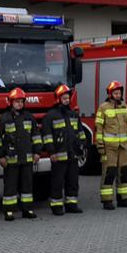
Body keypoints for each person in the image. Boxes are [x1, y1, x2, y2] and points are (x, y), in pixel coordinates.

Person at [0, 88, 40, 220]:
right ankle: (9, 211)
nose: (19, 104)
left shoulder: (29, 117)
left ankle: (27, 209)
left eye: (21, 101)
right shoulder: (3, 119)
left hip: (26, 158)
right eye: (16, 101)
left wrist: (37, 152)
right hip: (10, 159)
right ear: (10, 102)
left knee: (27, 185)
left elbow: (36, 136)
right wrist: (1, 156)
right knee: (10, 186)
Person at [39, 84, 82, 215]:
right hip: (58, 156)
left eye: (68, 98)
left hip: (73, 155)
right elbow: (47, 136)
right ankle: (56, 206)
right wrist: (51, 152)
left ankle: (71, 204)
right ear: (58, 99)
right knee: (57, 182)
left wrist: (81, 146)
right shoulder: (50, 116)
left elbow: (80, 133)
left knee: (73, 181)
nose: (67, 100)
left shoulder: (73, 115)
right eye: (64, 98)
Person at [94, 81, 127, 210]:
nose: (118, 95)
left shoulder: (124, 106)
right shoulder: (103, 107)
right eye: (116, 93)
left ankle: (123, 199)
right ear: (110, 94)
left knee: (124, 172)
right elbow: (98, 128)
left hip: (123, 147)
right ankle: (107, 201)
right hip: (109, 148)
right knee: (109, 173)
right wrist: (100, 145)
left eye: (119, 93)